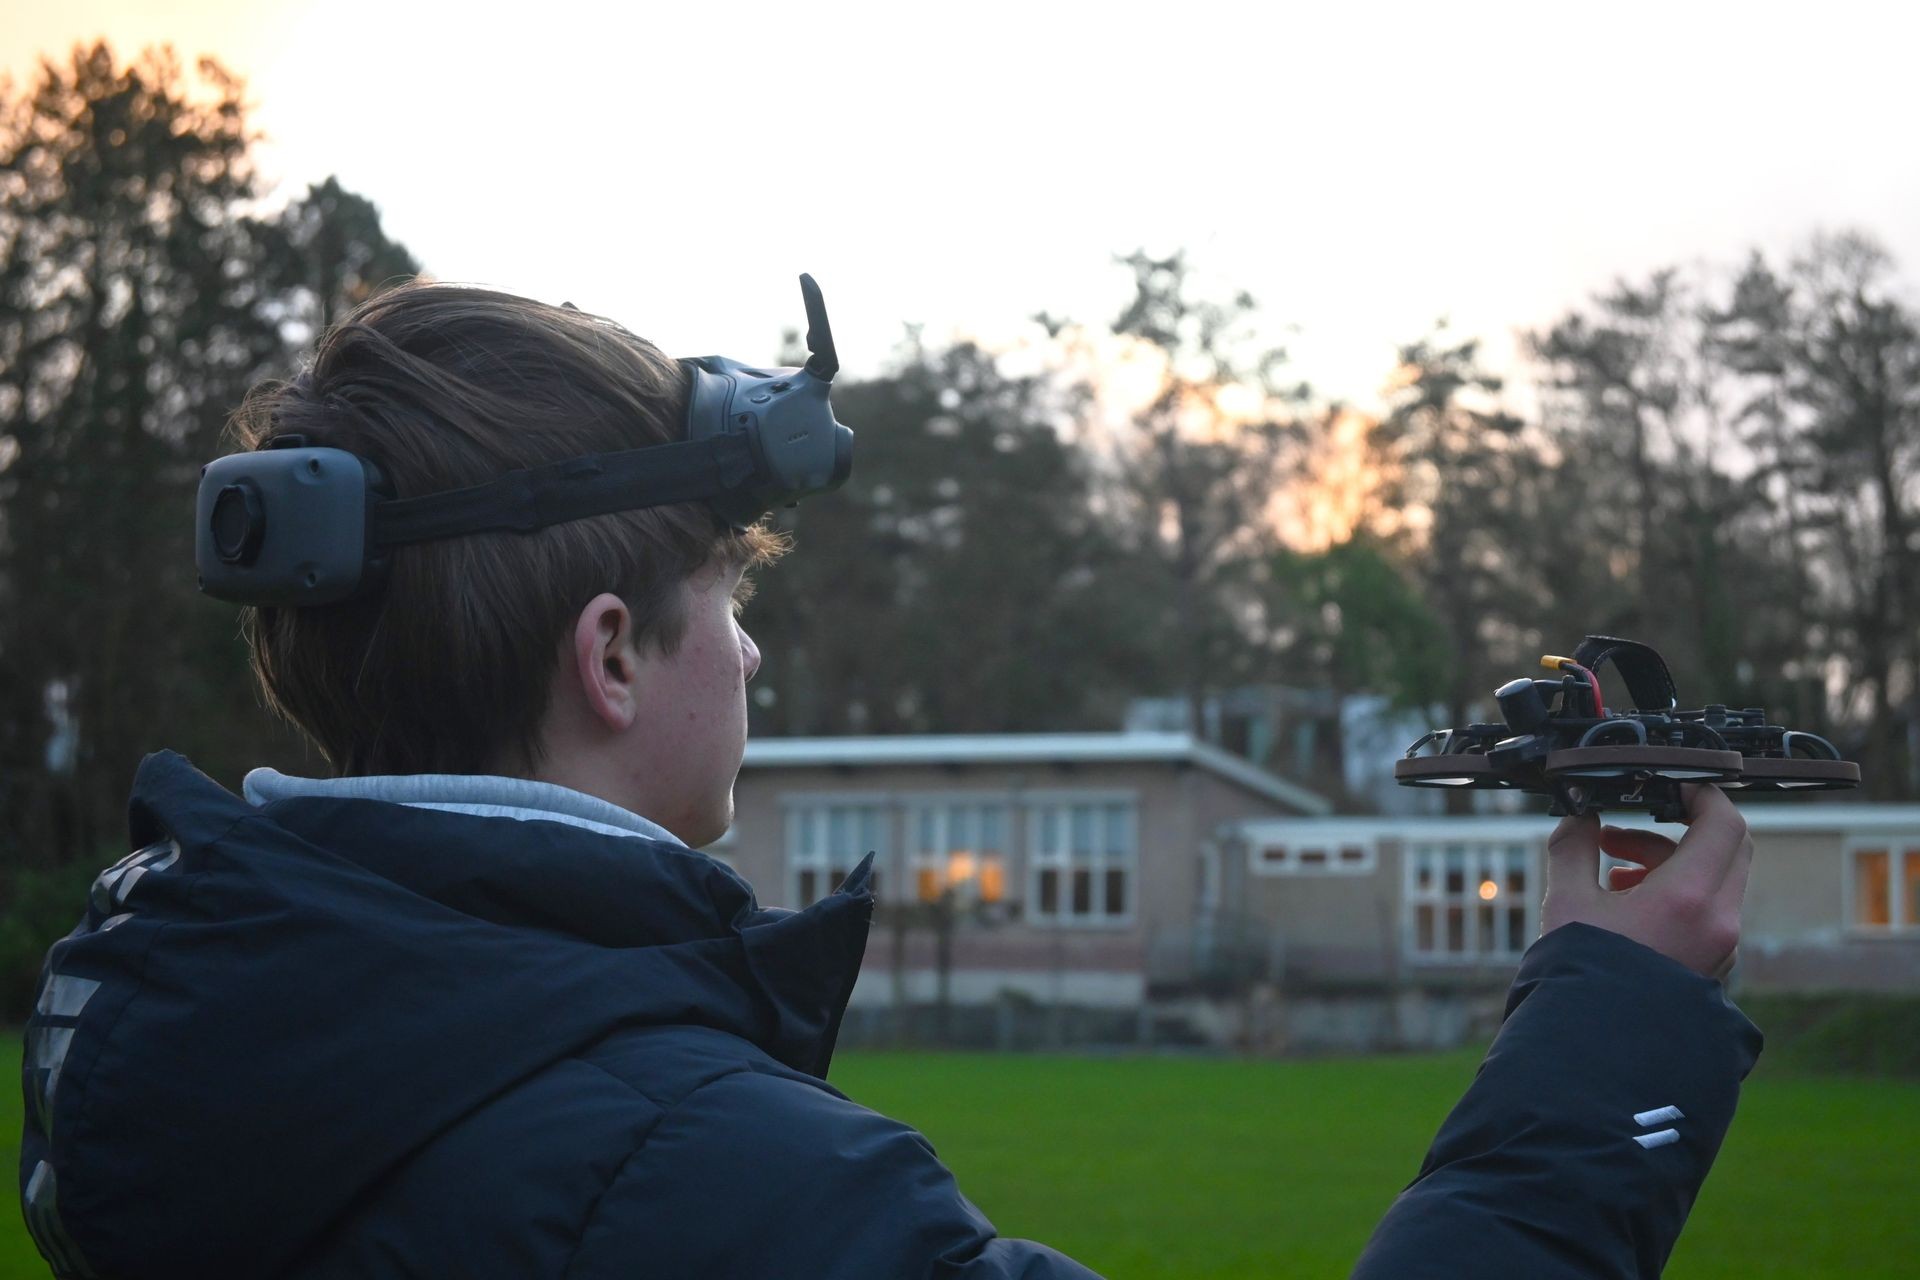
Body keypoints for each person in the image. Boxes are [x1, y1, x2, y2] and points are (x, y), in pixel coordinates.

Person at [19, 282, 1760, 1280]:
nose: (758, 656)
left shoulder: (161, 1064)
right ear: (613, 656)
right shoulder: (733, 1187)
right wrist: (1610, 1016)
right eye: (735, 599)